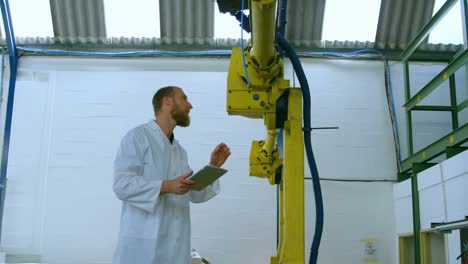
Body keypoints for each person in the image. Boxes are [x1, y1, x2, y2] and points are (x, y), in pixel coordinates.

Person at [112, 86, 231, 264]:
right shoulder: (138, 137)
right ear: (167, 101)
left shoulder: (179, 150)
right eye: (184, 99)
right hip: (143, 249)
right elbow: (122, 185)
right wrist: (167, 186)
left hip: (176, 249)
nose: (190, 105)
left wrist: (213, 166)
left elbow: (194, 193)